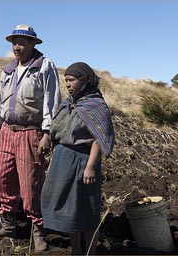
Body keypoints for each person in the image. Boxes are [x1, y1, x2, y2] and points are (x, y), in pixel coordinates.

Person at [0, 24, 61, 252]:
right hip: (8, 131)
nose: (17, 47)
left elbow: (52, 101)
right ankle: (8, 224)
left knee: (30, 184)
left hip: (31, 132)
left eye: (22, 42)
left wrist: (47, 133)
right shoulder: (8, 69)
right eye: (14, 42)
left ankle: (38, 229)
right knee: (2, 179)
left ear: (32, 44)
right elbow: (0, 103)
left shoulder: (44, 67)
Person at [40, 62, 115, 255]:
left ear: (86, 80)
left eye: (71, 80)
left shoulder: (95, 106)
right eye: (66, 80)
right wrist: (48, 139)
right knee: (70, 211)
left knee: (87, 210)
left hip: (82, 161)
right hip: (63, 161)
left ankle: (89, 252)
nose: (67, 84)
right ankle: (76, 251)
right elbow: (58, 127)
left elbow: (99, 139)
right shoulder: (69, 103)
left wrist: (90, 166)